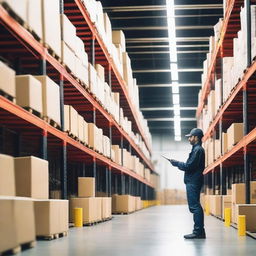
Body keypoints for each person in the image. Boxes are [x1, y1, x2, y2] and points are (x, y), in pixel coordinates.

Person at [169, 128, 206, 239]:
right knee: (194, 206)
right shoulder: (196, 150)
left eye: (190, 136)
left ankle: (198, 232)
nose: (189, 139)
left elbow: (189, 166)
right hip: (193, 181)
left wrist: (176, 163)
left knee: (195, 207)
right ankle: (199, 231)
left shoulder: (198, 150)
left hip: (193, 181)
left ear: (196, 137)